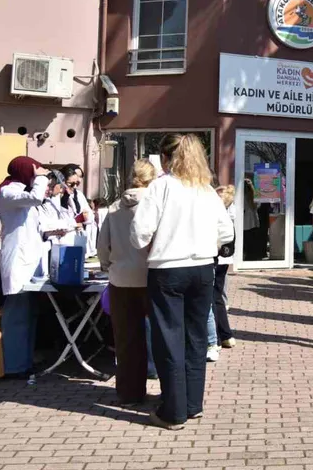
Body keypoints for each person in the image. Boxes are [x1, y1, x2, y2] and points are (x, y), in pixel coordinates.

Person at [130, 134, 234, 430]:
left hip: (168, 268)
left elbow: (139, 232)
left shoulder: (161, 186)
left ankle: (173, 411)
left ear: (165, 158)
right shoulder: (205, 189)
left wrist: (154, 243)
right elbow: (226, 232)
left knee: (169, 338)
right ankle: (192, 404)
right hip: (202, 268)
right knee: (196, 337)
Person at [96, 159, 156, 406]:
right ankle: (167, 389)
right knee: (160, 335)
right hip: (150, 276)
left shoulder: (114, 207)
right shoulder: (155, 204)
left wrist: (106, 265)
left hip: (120, 278)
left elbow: (103, 245)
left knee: (126, 339)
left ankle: (129, 393)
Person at [0, 156, 51, 379]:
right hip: (18, 262)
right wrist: (41, 178)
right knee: (16, 315)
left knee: (29, 314)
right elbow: (36, 198)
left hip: (30, 262)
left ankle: (25, 363)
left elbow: (33, 224)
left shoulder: (21, 194)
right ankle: (12, 366)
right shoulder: (8, 192)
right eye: (34, 171)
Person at [210, 185, 237, 355]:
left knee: (213, 298)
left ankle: (217, 338)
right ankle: (225, 334)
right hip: (224, 260)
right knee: (217, 296)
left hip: (216, 258)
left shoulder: (217, 214)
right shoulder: (228, 214)